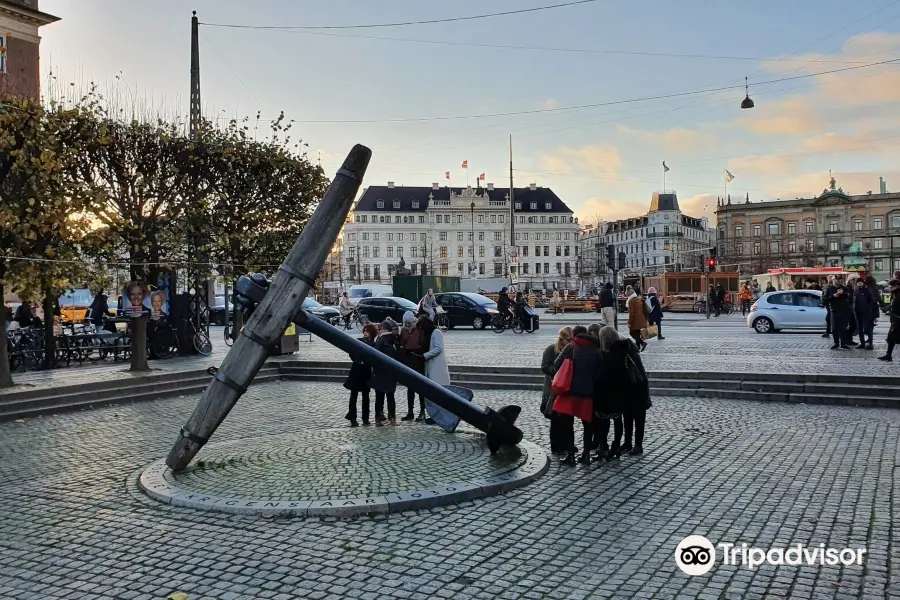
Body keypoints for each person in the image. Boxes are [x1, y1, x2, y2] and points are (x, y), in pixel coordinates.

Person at [597, 325, 651, 457]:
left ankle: (636, 444)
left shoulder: (616, 352)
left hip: (631, 387)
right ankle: (630, 443)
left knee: (633, 417)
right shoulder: (627, 346)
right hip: (638, 386)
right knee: (632, 417)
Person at [552, 325, 600, 465]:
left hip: (570, 391)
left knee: (568, 424)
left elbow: (556, 365)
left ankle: (570, 455)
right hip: (589, 393)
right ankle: (586, 455)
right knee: (587, 425)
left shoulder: (571, 348)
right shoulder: (596, 351)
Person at [541, 326, 574, 455]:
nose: (571, 342)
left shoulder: (570, 350)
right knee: (555, 419)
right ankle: (556, 446)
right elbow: (544, 366)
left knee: (567, 418)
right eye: (569, 340)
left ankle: (567, 444)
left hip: (565, 388)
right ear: (563, 339)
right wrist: (554, 371)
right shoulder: (551, 349)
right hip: (553, 388)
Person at [370, 320, 405, 426]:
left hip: (381, 372)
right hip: (390, 372)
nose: (379, 331)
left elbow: (374, 354)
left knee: (380, 397)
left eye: (380, 329)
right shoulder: (394, 340)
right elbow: (399, 356)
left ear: (384, 330)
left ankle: (379, 419)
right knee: (390, 396)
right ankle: (391, 418)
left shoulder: (381, 340)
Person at [344, 323, 377, 426]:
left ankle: (365, 418)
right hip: (356, 369)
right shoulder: (358, 341)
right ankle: (352, 418)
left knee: (365, 397)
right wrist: (356, 360)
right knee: (353, 396)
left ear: (371, 334)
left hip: (366, 371)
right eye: (365, 331)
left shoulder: (373, 345)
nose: (365, 333)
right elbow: (351, 352)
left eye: (368, 331)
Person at [420, 315, 450, 423]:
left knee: (439, 392)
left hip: (437, 366)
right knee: (434, 393)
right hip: (432, 366)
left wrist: (425, 355)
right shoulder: (430, 333)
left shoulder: (436, 332)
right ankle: (435, 416)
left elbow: (438, 348)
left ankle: (440, 415)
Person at [400, 311, 426, 421]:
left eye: (409, 325)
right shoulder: (403, 330)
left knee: (420, 388)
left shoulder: (419, 330)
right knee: (410, 388)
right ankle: (410, 411)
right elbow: (401, 344)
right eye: (406, 326)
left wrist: (415, 349)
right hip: (408, 361)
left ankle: (422, 412)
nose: (408, 328)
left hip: (418, 360)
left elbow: (423, 344)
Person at [824, 275, 852, 350]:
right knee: (834, 328)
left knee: (843, 328)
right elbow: (825, 299)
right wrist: (833, 296)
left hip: (843, 310)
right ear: (833, 280)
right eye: (837, 279)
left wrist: (843, 294)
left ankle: (843, 343)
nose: (839, 281)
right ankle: (836, 343)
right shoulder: (829, 289)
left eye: (840, 279)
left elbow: (849, 297)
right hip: (834, 310)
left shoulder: (844, 288)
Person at [878, 279, 900, 361]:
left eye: (891, 287)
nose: (889, 289)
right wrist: (887, 309)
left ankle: (888, 355)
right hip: (895, 320)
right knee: (891, 339)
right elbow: (892, 306)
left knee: (891, 338)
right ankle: (888, 355)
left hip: (898, 321)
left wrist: (888, 310)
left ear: (897, 286)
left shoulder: (898, 295)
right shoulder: (894, 295)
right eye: (889, 287)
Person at [852, 278, 877, 350]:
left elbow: (872, 300)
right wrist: (853, 308)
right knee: (859, 328)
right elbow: (853, 300)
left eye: (861, 282)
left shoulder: (867, 290)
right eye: (858, 282)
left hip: (866, 313)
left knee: (867, 328)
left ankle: (870, 343)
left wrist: (867, 307)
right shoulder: (856, 291)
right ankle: (862, 343)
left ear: (863, 283)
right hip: (857, 312)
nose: (859, 284)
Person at [627, 286, 649, 351]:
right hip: (641, 320)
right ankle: (638, 347)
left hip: (635, 321)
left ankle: (642, 343)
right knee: (637, 333)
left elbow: (632, 313)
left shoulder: (631, 301)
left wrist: (629, 322)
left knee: (632, 332)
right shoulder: (638, 300)